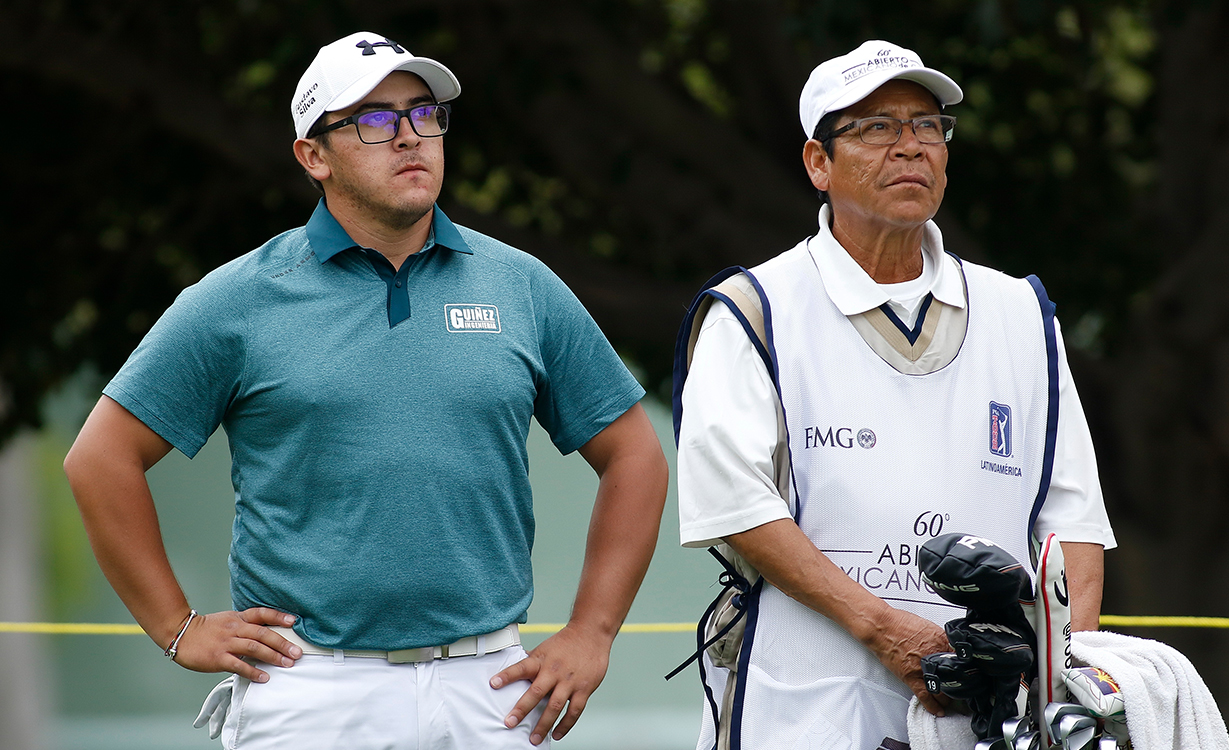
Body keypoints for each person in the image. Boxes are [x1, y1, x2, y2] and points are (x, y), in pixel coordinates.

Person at [63, 31, 667, 749]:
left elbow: (635, 455)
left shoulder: (521, 285)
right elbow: (100, 459)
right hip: (311, 689)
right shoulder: (239, 299)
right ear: (313, 156)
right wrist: (176, 627)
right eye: (375, 120)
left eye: (424, 114)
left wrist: (593, 632)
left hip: (491, 688)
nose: (410, 136)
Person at [672, 39, 1115, 750]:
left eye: (928, 126)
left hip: (993, 716)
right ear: (818, 163)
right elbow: (734, 505)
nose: (910, 146)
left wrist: (1057, 681)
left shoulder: (1021, 314)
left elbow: (1074, 524)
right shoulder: (755, 311)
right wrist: (887, 631)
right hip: (807, 708)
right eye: (877, 127)